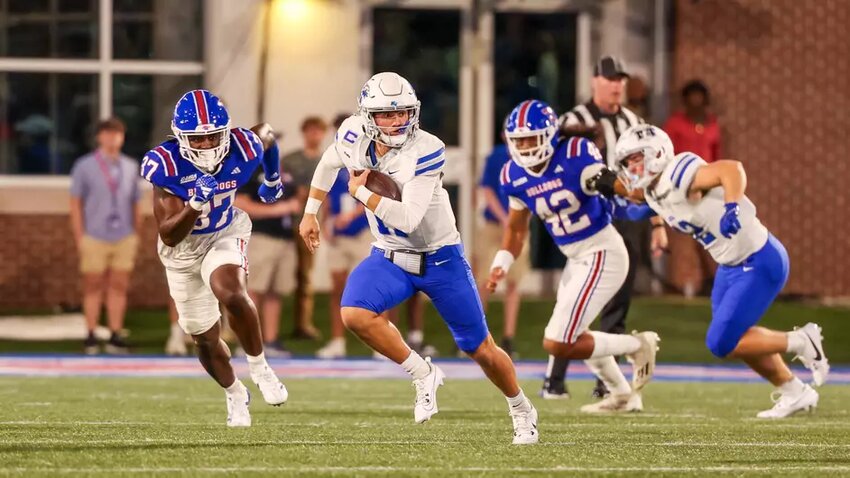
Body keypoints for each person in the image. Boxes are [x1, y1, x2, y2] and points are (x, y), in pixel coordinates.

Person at [299, 72, 538, 444]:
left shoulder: (426, 148)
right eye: (387, 115)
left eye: (404, 113)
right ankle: (422, 372)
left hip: (439, 257)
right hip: (390, 256)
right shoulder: (351, 134)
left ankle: (521, 408)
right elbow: (330, 162)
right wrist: (310, 212)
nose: (397, 121)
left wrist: (361, 195)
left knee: (481, 348)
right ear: (367, 116)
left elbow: (408, 218)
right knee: (354, 313)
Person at [611, 123, 829, 418]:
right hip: (730, 267)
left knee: (721, 342)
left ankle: (803, 340)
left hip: (758, 260)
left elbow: (731, 170)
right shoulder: (654, 189)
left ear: (657, 152)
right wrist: (644, 212)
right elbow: (662, 202)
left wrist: (732, 207)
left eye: (637, 158)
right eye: (627, 163)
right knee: (735, 339)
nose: (632, 168)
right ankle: (794, 391)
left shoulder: (679, 172)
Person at [487, 99, 659, 413]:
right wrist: (502, 262)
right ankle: (623, 395)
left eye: (531, 138)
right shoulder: (513, 174)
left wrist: (627, 189)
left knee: (557, 341)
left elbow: (612, 183)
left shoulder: (575, 154)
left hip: (602, 251)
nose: (524, 147)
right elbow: (515, 229)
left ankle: (638, 345)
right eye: (519, 140)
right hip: (576, 258)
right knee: (571, 334)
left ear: (550, 136)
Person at [140, 89, 288, 427]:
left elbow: (266, 134)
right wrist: (194, 204)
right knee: (203, 338)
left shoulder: (243, 146)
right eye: (198, 139)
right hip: (182, 249)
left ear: (226, 132)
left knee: (231, 291)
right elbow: (169, 234)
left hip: (225, 231)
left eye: (213, 137)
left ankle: (260, 368)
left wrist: (273, 178)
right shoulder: (165, 164)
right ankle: (235, 393)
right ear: (181, 138)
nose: (206, 145)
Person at [545, 55, 667, 399]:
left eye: (621, 80)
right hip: (585, 218)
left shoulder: (633, 121)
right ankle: (556, 377)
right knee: (571, 297)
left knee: (617, 300)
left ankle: (606, 380)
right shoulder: (572, 121)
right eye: (610, 79)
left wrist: (657, 222)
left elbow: (649, 174)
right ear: (594, 81)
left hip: (626, 218)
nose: (616, 85)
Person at [69, 117, 141, 355]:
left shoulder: (130, 166)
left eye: (117, 134)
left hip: (123, 235)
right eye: (108, 133)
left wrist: (136, 233)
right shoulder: (84, 166)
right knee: (92, 285)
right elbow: (75, 203)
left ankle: (115, 334)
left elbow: (136, 203)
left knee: (119, 285)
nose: (113, 138)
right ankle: (90, 334)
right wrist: (80, 235)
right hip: (94, 234)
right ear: (100, 137)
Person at [235, 132, 302, 358]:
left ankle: (271, 340)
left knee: (276, 291)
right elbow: (242, 204)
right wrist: (280, 209)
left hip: (284, 238)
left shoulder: (285, 171)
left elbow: (295, 199)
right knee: (255, 290)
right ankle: (249, 341)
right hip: (261, 237)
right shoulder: (251, 170)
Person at [476, 127, 531, 358]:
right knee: (483, 279)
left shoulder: (530, 157)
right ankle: (477, 333)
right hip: (496, 223)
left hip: (517, 226)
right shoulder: (498, 156)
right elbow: (487, 189)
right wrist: (505, 217)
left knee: (513, 281)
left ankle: (508, 337)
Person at [663, 80, 721, 297]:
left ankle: (710, 279)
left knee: (708, 233)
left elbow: (716, 155)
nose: (696, 101)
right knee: (685, 234)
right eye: (692, 96)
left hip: (706, 185)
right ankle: (682, 281)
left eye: (699, 96)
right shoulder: (675, 123)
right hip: (681, 184)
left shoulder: (712, 124)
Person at [315, 166, 373, 359]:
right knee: (337, 289)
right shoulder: (332, 166)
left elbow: (375, 196)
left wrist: (349, 216)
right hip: (338, 236)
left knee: (370, 288)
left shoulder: (367, 162)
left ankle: (380, 343)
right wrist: (324, 224)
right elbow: (326, 198)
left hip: (362, 234)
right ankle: (338, 341)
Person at [284, 116, 329, 340]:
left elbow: (328, 197)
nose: (314, 136)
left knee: (305, 275)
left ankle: (303, 323)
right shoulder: (291, 160)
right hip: (286, 222)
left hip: (311, 224)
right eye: (310, 131)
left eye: (318, 131)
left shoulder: (325, 161)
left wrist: (327, 221)